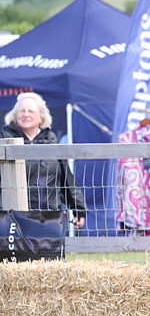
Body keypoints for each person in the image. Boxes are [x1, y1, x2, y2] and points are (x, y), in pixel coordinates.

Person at [1, 92, 87, 227]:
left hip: (49, 217)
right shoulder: (4, 140)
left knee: (48, 248)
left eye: (31, 111)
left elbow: (67, 179)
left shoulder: (51, 140)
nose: (26, 114)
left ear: (41, 117)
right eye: (22, 111)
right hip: (14, 219)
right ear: (15, 115)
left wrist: (79, 208)